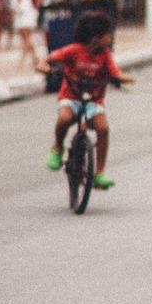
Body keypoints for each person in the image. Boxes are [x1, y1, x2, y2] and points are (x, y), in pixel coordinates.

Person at [38, 11, 134, 189]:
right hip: (71, 97)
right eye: (107, 34)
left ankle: (99, 173)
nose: (109, 37)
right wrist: (45, 66)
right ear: (95, 38)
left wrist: (123, 77)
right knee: (64, 119)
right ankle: (57, 148)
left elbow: (115, 71)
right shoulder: (74, 51)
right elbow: (49, 59)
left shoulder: (105, 55)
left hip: (94, 101)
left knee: (103, 128)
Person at [10, 0, 43, 69]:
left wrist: (35, 8)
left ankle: (22, 60)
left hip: (29, 12)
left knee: (27, 36)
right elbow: (13, 0)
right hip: (18, 13)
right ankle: (35, 57)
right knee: (24, 37)